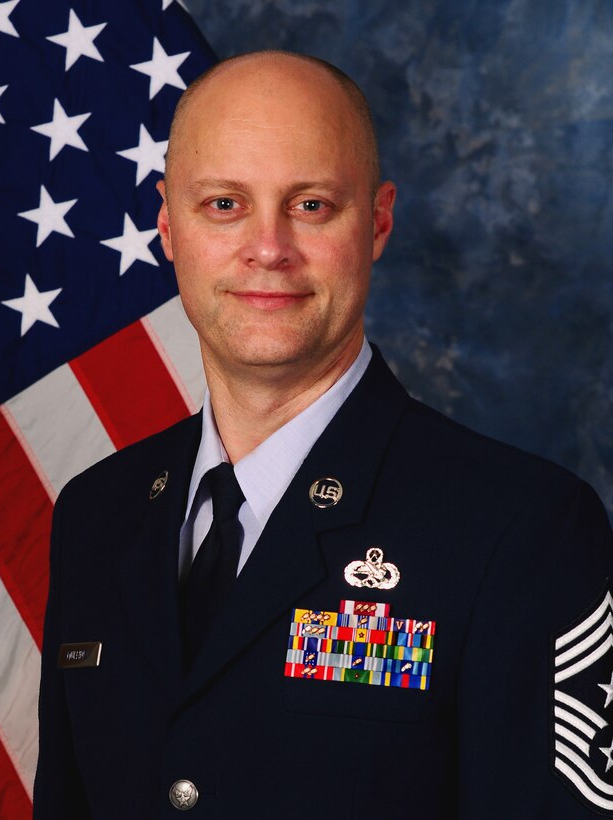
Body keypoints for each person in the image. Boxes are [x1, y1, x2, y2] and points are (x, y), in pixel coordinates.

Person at [33, 51, 613, 819]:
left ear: (377, 222)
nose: (268, 248)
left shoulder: (522, 529)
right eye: (224, 205)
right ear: (168, 227)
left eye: (310, 205)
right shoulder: (96, 515)